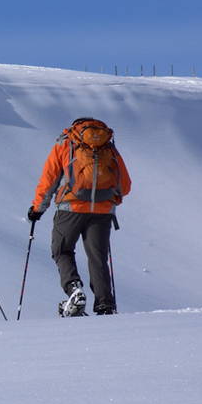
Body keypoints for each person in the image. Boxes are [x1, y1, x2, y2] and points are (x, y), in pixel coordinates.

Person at [28, 117, 131, 316]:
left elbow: (49, 179)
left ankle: (74, 289)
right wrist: (112, 201)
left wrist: (38, 208)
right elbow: (125, 184)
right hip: (102, 211)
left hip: (70, 208)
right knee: (98, 257)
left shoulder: (66, 143)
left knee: (62, 250)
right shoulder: (108, 147)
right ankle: (104, 305)